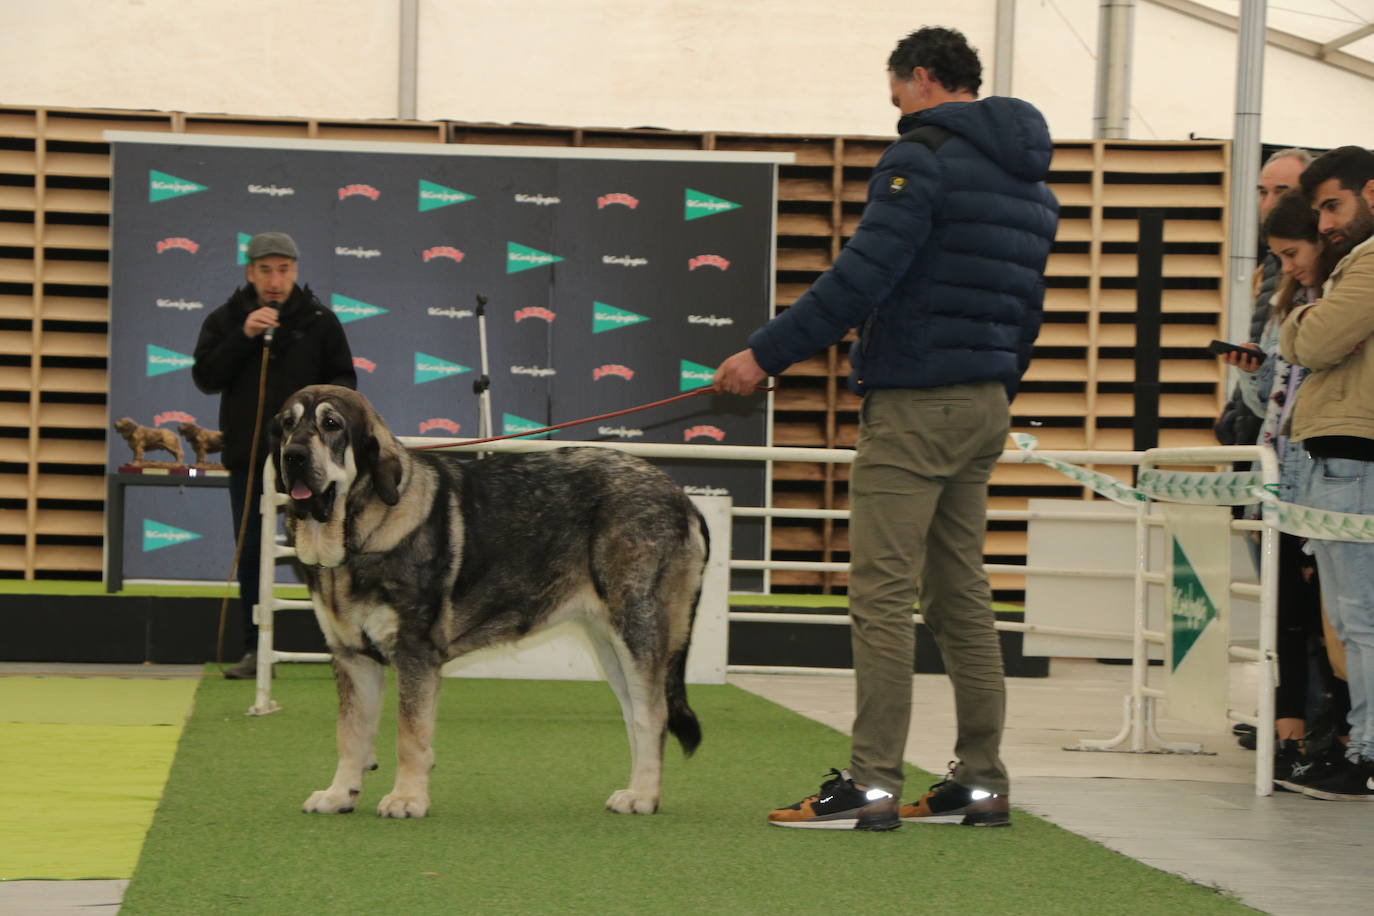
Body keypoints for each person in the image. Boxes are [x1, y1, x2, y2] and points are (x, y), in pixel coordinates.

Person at [713, 26, 1058, 830]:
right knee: (962, 597)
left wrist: (765, 356)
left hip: (915, 405)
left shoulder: (922, 158)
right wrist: (995, 384)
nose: (893, 105)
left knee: (880, 596)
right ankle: (980, 782)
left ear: (925, 77)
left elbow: (862, 276)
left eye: (897, 88)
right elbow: (1028, 313)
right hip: (984, 405)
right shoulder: (1033, 184)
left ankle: (870, 784)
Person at [1219, 190, 1349, 789]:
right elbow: (1273, 400)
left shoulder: (1343, 303)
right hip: (1279, 475)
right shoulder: (1286, 306)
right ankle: (1289, 730)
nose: (1288, 266)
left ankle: (1343, 732)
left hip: (1321, 478)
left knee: (1337, 619)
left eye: (1293, 253)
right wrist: (1255, 372)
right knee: (1288, 615)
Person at [192, 232, 357, 679]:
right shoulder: (226, 320)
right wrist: (244, 337)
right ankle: (253, 648)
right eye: (265, 269)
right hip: (251, 460)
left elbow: (345, 382)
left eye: (283, 269)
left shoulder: (321, 321)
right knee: (251, 553)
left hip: (313, 464)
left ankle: (344, 645)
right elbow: (206, 377)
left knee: (323, 549)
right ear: (250, 272)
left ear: (295, 272)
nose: (274, 279)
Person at [1279, 145, 1374, 800]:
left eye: (1333, 205)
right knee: (1350, 620)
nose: (1327, 225)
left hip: (1353, 457)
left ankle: (1367, 752)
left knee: (1358, 619)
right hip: (1344, 455)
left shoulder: (1370, 261)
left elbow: (1313, 343)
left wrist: (1296, 318)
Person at [1216, 149, 1313, 447]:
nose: (1269, 203)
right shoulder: (1267, 268)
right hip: (1264, 427)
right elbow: (1265, 345)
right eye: (1262, 192)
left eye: (1282, 192)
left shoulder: (1324, 273)